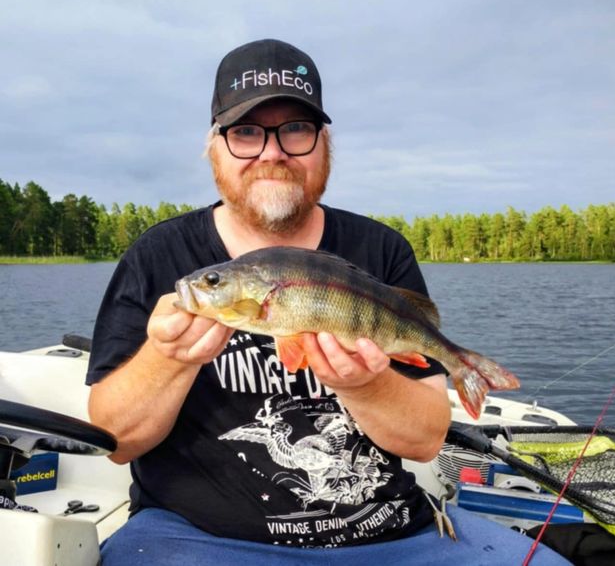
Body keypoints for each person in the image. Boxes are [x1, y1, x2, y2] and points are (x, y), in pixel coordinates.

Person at [87, 38, 569, 565]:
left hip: (391, 535)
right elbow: (115, 440)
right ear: (214, 149)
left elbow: (426, 441)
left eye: (296, 129)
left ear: (326, 146)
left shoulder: (382, 250)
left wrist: (367, 384)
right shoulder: (160, 255)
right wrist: (168, 358)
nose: (272, 152)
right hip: (196, 538)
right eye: (245, 132)